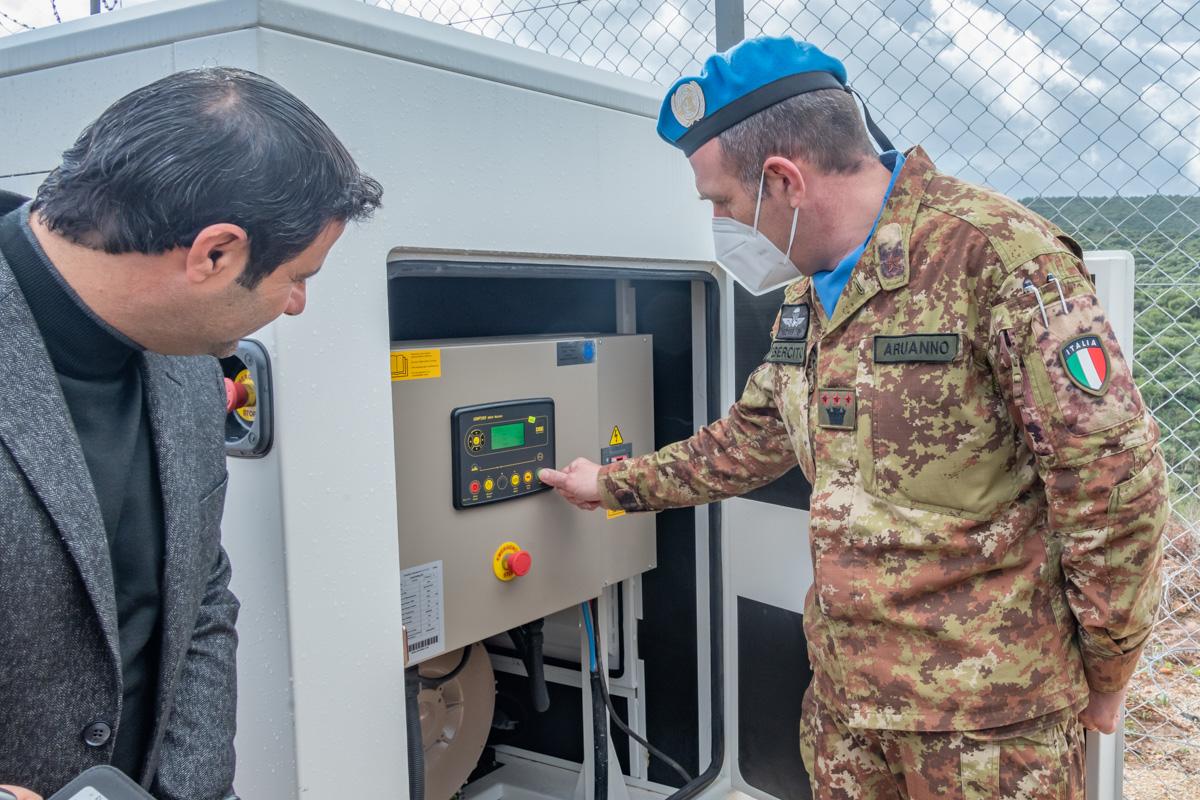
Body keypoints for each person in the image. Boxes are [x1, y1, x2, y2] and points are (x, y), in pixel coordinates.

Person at [540, 36, 1166, 798]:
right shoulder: (809, 294)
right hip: (847, 708)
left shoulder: (998, 258)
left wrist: (1108, 668)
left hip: (987, 725)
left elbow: (1112, 485)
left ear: (784, 180)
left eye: (722, 203)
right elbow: (752, 437)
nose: (723, 222)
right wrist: (613, 485)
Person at [0, 68, 382, 800]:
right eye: (298, 275)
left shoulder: (187, 361)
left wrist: (197, 789)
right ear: (214, 254)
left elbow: (200, 592)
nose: (298, 304)